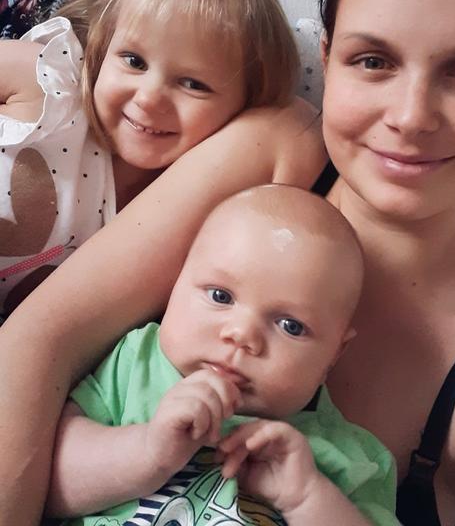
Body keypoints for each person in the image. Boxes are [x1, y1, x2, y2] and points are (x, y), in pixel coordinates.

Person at [1, 0, 455, 526]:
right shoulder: (279, 150)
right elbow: (40, 342)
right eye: (372, 60)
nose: (410, 116)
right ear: (328, 61)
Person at [45, 185, 397, 526]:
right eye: (220, 296)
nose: (242, 335)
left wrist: (306, 498)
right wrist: (148, 451)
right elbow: (44, 485)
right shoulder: (137, 363)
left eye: (291, 326)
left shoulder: (354, 456)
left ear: (334, 354)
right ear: (174, 284)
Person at [0, 0, 304, 317]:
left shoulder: (184, 215)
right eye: (134, 61)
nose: (148, 98)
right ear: (102, 44)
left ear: (245, 108)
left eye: (193, 84)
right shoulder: (49, 82)